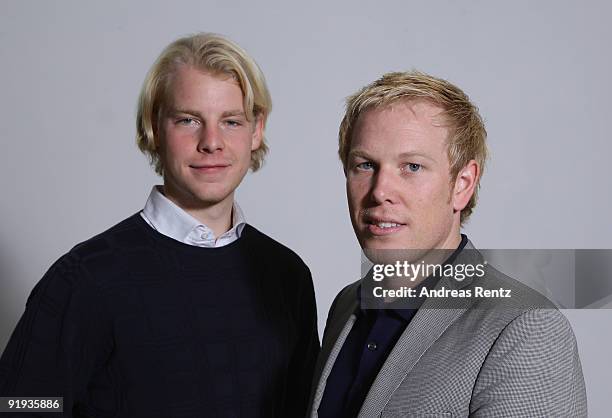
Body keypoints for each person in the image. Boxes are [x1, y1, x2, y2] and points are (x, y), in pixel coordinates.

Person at [0, 33, 319, 417]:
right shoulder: (87, 278)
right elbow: (20, 406)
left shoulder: (287, 276)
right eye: (188, 120)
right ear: (154, 127)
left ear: (256, 131)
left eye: (231, 121)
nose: (211, 142)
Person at [308, 71, 587, 417]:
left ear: (463, 184)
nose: (380, 191)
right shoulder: (346, 306)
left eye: (412, 166)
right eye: (365, 165)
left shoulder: (526, 329)